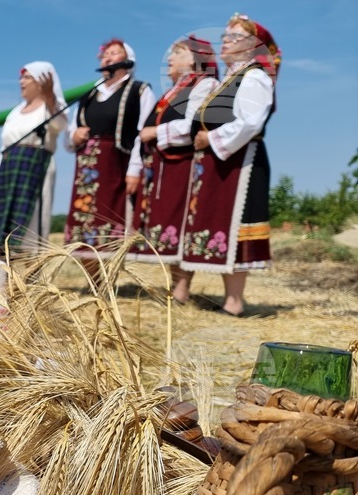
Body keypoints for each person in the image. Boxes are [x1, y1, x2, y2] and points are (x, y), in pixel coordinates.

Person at [179, 14, 280, 316]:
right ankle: (229, 299)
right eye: (225, 36)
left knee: (239, 227)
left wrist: (211, 140)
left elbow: (251, 122)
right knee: (227, 225)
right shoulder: (229, 78)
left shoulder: (255, 76)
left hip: (243, 162)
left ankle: (234, 302)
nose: (225, 41)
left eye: (234, 36)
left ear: (251, 47)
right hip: (226, 161)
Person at [130, 36, 219, 304]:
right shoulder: (173, 91)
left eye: (177, 52)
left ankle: (181, 291)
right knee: (168, 223)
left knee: (181, 225)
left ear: (194, 59)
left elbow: (193, 125)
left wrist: (156, 132)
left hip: (186, 165)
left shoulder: (206, 85)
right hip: (165, 165)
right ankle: (175, 288)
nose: (169, 58)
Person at [64, 40, 155, 256]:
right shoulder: (89, 94)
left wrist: (135, 169)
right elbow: (70, 132)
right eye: (105, 54)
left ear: (128, 60)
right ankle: (91, 279)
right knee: (83, 220)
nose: (108, 57)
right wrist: (74, 135)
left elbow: (144, 133)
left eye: (115, 53)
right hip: (85, 170)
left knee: (110, 216)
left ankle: (108, 278)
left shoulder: (139, 90)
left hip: (116, 165)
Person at [0, 61, 67, 256]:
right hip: (9, 169)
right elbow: (4, 147)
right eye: (22, 77)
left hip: (35, 166)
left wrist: (50, 96)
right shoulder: (14, 112)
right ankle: (5, 269)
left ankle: (31, 271)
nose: (21, 82)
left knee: (32, 220)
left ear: (41, 81)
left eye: (27, 77)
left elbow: (60, 125)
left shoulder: (50, 107)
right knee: (4, 220)